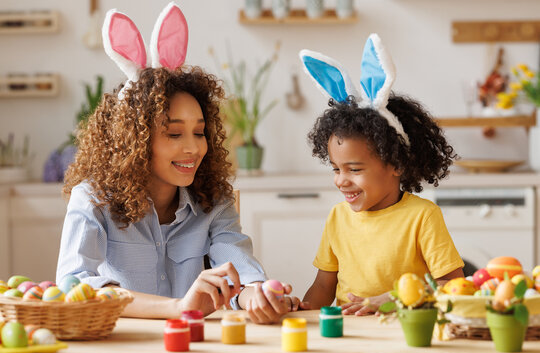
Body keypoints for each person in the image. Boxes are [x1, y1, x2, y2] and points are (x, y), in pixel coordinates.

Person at [56, 3, 302, 324]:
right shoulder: (92, 198)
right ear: (136, 139)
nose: (193, 148)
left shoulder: (213, 198)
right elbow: (75, 283)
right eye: (174, 133)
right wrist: (177, 307)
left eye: (199, 132)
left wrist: (256, 293)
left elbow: (236, 260)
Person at [299, 34, 464, 316]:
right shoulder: (338, 217)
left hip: (405, 333)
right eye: (336, 169)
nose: (341, 180)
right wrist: (296, 310)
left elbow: (453, 285)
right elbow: (323, 288)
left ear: (396, 163)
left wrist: (396, 297)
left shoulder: (422, 217)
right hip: (349, 335)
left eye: (355, 169)